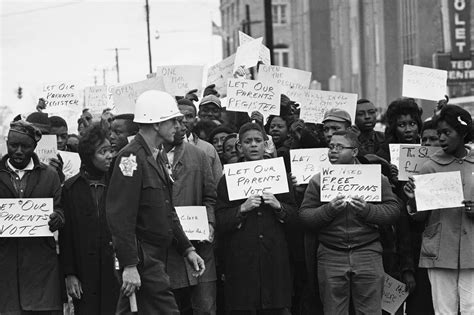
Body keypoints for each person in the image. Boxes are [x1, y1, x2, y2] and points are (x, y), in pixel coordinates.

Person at [106, 90, 205, 314]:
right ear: (156, 124)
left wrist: (187, 248)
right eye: (172, 120)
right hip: (142, 258)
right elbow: (120, 216)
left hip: (154, 256)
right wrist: (129, 264)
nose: (178, 126)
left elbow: (166, 210)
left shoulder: (156, 155)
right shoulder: (130, 158)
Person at [299, 130, 401, 314]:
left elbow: (393, 211)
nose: (333, 151)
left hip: (367, 251)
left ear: (354, 151)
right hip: (331, 253)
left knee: (370, 311)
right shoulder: (318, 180)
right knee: (333, 311)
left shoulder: (376, 178)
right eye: (330, 147)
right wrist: (327, 210)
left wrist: (367, 210)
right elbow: (305, 216)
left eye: (339, 147)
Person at [215, 122, 296, 314]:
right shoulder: (228, 179)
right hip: (242, 262)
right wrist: (241, 209)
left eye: (258, 141)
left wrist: (279, 206)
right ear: (239, 146)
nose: (253, 145)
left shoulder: (279, 175)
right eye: (248, 141)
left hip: (274, 260)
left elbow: (296, 217)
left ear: (265, 144)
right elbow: (220, 220)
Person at [403, 105, 474, 315]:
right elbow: (421, 217)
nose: (441, 138)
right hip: (440, 250)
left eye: (447, 133)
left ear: (462, 133)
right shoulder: (429, 167)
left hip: (472, 250)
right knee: (444, 310)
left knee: (471, 308)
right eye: (439, 133)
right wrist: (414, 200)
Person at [0, 120, 65, 314]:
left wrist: (58, 218)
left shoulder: (50, 176)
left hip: (40, 269)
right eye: (13, 145)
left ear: (34, 147)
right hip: (5, 268)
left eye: (25, 146)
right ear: (6, 143)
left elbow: (61, 208)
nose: (18, 151)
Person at [59, 123, 119, 315]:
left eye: (111, 150)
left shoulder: (119, 184)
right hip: (84, 272)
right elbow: (66, 236)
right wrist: (70, 274)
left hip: (115, 270)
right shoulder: (70, 188)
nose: (109, 156)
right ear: (88, 156)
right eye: (103, 152)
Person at [163, 117, 218, 315]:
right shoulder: (146, 157)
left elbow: (210, 196)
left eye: (182, 123)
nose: (181, 127)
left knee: (205, 306)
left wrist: (210, 223)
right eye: (174, 123)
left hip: (199, 244)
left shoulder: (199, 155)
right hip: (165, 249)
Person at [177, 98, 222, 183]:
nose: (184, 120)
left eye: (189, 116)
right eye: (179, 116)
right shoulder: (161, 148)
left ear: (195, 120)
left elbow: (217, 184)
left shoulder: (208, 149)